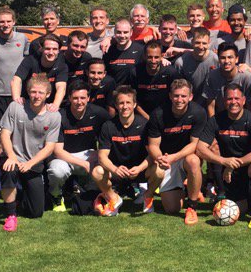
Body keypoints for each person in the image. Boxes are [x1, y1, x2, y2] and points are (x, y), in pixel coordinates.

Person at [196, 84, 251, 229]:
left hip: (247, 170)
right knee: (235, 209)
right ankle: (224, 193)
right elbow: (200, 149)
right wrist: (224, 161)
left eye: (237, 98)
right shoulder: (216, 120)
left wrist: (234, 164)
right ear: (224, 101)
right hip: (227, 174)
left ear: (243, 100)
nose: (233, 102)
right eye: (229, 99)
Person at [0, 75, 61, 231]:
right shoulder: (16, 107)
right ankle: (10, 214)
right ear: (27, 92)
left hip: (32, 163)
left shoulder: (54, 116)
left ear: (48, 94)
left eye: (40, 93)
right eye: (33, 92)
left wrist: (30, 163)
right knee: (9, 168)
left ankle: (18, 196)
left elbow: (50, 147)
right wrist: (12, 156)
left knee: (36, 212)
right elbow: (4, 134)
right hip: (13, 157)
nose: (36, 96)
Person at [145, 79, 207, 223]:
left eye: (184, 96)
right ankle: (189, 188)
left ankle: (192, 207)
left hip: (184, 157)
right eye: (176, 96)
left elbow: (194, 144)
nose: (180, 99)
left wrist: (175, 157)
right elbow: (153, 145)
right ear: (170, 96)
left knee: (194, 160)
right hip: (165, 159)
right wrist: (161, 158)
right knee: (172, 209)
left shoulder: (198, 112)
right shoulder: (158, 114)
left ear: (190, 97)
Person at [47, 80, 110, 211]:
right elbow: (58, 151)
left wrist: (99, 154)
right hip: (64, 157)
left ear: (88, 98)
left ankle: (105, 194)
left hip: (88, 154)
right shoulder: (60, 116)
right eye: (75, 98)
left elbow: (111, 132)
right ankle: (56, 196)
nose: (79, 101)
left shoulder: (99, 113)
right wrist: (84, 164)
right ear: (69, 98)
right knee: (56, 171)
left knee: (104, 168)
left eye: (82, 98)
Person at [93, 86, 150, 215]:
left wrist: (140, 168)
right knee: (97, 171)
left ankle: (148, 196)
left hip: (139, 170)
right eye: (121, 103)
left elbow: (152, 155)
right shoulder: (108, 126)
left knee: (159, 170)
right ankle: (114, 199)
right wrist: (115, 169)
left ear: (135, 104)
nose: (125, 106)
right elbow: (102, 157)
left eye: (128, 102)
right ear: (116, 105)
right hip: (117, 171)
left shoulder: (144, 124)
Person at [0, 5, 31, 126]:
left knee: (19, 130)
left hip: (19, 94)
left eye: (9, 21)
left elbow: (29, 61)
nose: (6, 24)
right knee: (1, 131)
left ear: (14, 22)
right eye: (2, 21)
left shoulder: (22, 38)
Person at [11, 33, 68, 111]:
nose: (51, 52)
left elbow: (61, 87)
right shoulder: (30, 60)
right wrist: (16, 98)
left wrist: (55, 105)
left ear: (58, 51)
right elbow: (16, 80)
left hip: (48, 106)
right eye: (47, 49)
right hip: (28, 103)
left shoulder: (62, 65)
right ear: (41, 49)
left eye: (54, 49)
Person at [201, 42, 251, 115]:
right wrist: (213, 124)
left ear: (236, 59)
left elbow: (249, 106)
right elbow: (211, 105)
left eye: (230, 57)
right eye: (223, 58)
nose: (226, 61)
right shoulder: (212, 76)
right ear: (218, 59)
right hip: (220, 117)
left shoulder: (246, 77)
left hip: (241, 117)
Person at [172, 26, 218, 97]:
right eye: (197, 43)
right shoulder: (181, 63)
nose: (201, 46)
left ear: (209, 43)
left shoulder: (215, 60)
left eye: (204, 43)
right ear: (192, 42)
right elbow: (177, 88)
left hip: (210, 100)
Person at [135, 40, 175, 118]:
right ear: (144, 56)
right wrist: (147, 117)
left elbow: (176, 96)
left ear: (161, 56)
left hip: (165, 115)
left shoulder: (170, 72)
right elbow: (132, 98)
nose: (153, 61)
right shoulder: (135, 72)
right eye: (150, 57)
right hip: (142, 115)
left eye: (156, 57)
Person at [103, 18, 145, 86]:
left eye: (125, 32)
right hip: (114, 93)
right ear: (114, 33)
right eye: (119, 32)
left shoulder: (141, 50)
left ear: (131, 32)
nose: (122, 36)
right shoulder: (108, 50)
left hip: (134, 94)